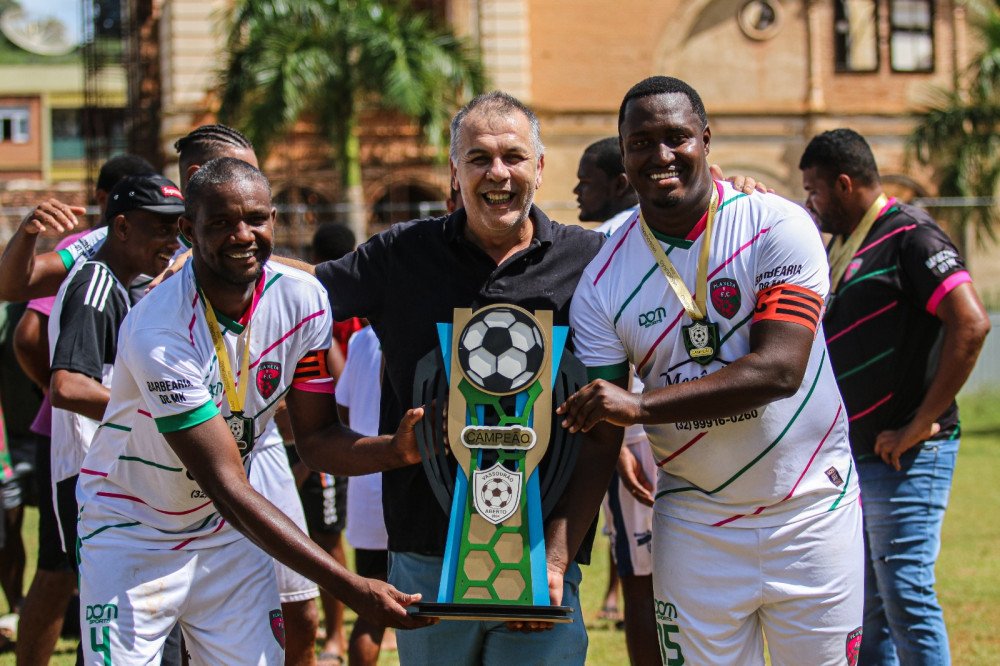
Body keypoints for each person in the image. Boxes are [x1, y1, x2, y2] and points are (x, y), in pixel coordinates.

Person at [307, 91, 624, 665]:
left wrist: (552, 562)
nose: (497, 173)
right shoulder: (401, 254)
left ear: (540, 167)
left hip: (541, 553)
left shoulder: (593, 259)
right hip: (426, 559)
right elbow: (306, 291)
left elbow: (674, 263)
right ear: (454, 171)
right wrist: (220, 262)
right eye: (478, 158)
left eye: (513, 156)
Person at [74, 157, 431, 664]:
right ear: (187, 230)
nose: (242, 235)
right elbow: (227, 483)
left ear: (273, 220)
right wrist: (351, 585)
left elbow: (317, 440)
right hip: (132, 531)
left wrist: (394, 451)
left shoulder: (304, 300)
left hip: (224, 535)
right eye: (220, 222)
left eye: (256, 219)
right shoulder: (158, 331)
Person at [559, 76, 864, 666]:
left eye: (677, 137)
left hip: (810, 511)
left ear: (706, 138)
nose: (661, 154)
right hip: (696, 521)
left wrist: (642, 407)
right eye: (641, 142)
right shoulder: (602, 273)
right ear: (623, 157)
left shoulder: (776, 224)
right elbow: (601, 427)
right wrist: (557, 556)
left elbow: (779, 369)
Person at [800, 129, 990, 665]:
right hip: (860, 454)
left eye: (814, 191)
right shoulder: (848, 242)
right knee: (869, 605)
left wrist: (921, 421)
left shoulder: (911, 236)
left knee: (905, 594)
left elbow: (971, 325)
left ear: (843, 184)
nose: (811, 204)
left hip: (905, 451)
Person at [175, 124, 325, 666]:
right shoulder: (165, 280)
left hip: (258, 447)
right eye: (242, 170)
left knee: (300, 609)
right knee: (203, 624)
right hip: (182, 466)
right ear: (199, 180)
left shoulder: (284, 282)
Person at [48, 173, 183, 575]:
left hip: (112, 479)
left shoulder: (121, 287)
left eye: (177, 229)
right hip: (95, 481)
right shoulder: (97, 283)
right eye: (160, 228)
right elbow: (67, 385)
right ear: (121, 226)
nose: (173, 242)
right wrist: (162, 415)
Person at [574, 137, 658, 664]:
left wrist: (618, 440)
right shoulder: (685, 226)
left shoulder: (598, 243)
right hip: (690, 424)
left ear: (619, 183)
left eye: (586, 179)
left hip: (636, 433)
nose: (577, 189)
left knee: (643, 584)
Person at [335, 325, 392, 666]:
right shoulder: (427, 321)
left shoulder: (361, 338)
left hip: (365, 479)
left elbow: (342, 409)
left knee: (371, 610)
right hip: (412, 482)